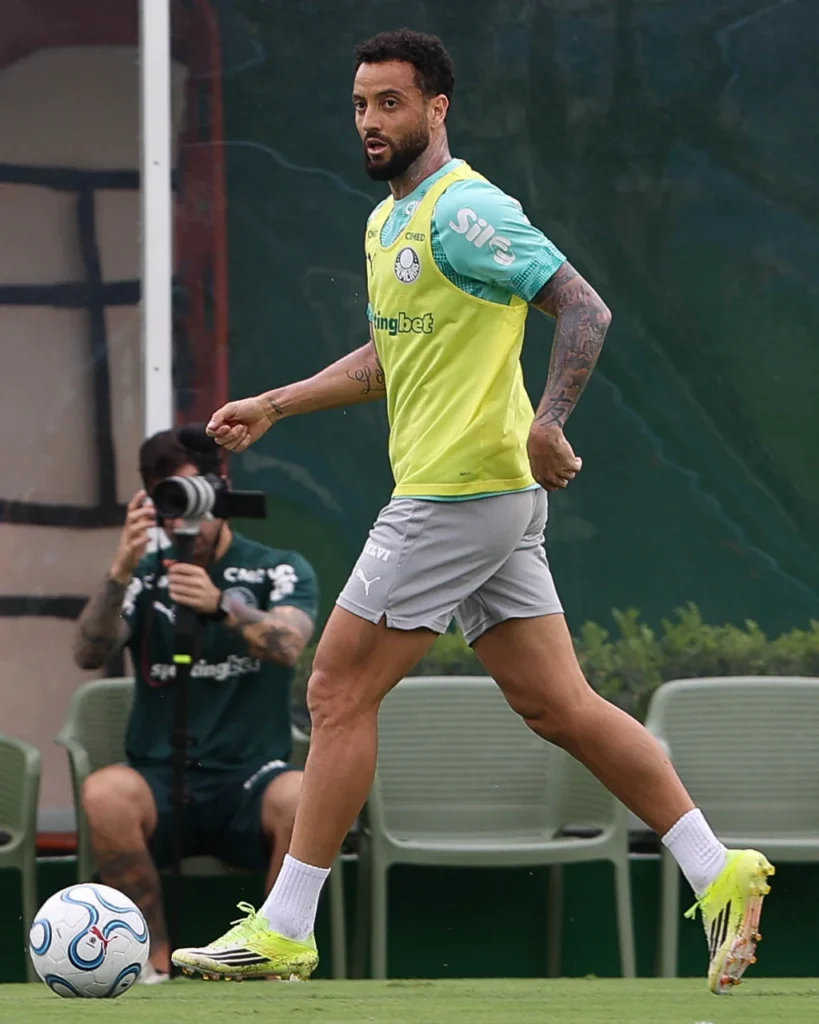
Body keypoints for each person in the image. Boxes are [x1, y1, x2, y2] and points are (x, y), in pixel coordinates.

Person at [172, 30, 774, 993]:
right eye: (360, 105)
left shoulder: (466, 209)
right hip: (485, 501)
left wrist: (549, 421)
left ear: (437, 107)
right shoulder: (387, 222)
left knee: (335, 692)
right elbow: (387, 359)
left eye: (391, 103)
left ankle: (285, 928)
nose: (371, 122)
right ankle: (718, 868)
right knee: (557, 706)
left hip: (455, 494)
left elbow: (583, 308)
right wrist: (276, 403)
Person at [73, 427, 318, 982]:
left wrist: (221, 605)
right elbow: (89, 653)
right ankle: (149, 962)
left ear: (221, 492)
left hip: (251, 778)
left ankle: (272, 959)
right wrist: (120, 571)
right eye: (172, 500)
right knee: (106, 793)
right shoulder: (144, 575)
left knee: (302, 795)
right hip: (160, 777)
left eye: (197, 499)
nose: (188, 520)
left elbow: (289, 644)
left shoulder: (276, 568)